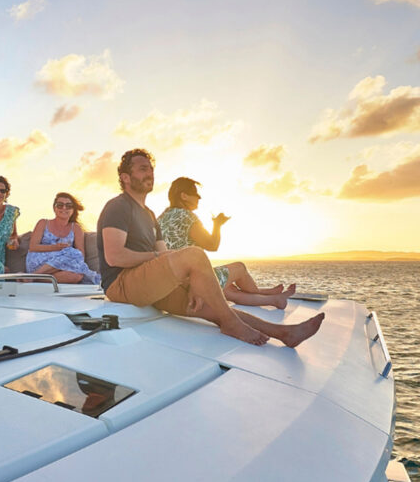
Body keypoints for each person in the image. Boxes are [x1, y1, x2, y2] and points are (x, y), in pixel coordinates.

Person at [96, 149, 324, 348]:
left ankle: (284, 333)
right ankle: (232, 325)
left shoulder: (151, 215)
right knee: (195, 254)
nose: (150, 173)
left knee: (214, 306)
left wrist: (193, 282)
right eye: (143, 169)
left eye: (152, 169)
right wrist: (163, 258)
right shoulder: (118, 206)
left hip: (149, 284)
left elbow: (166, 255)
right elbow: (115, 257)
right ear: (125, 177)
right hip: (121, 284)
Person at [158, 177, 295, 308]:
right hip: (193, 284)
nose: (199, 197)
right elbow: (212, 245)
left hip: (173, 284)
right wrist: (217, 224)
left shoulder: (161, 217)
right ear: (184, 196)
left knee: (229, 290)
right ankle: (260, 292)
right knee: (240, 268)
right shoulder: (187, 217)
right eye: (195, 193)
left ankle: (274, 299)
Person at [25, 192, 100, 285]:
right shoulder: (43, 223)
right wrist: (56, 247)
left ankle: (34, 278)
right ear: (54, 208)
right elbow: (33, 247)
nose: (64, 208)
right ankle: (35, 275)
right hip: (39, 261)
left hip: (62, 265)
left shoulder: (75, 228)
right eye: (60, 205)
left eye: (68, 206)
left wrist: (65, 259)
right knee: (72, 252)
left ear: (73, 209)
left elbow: (81, 254)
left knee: (77, 276)